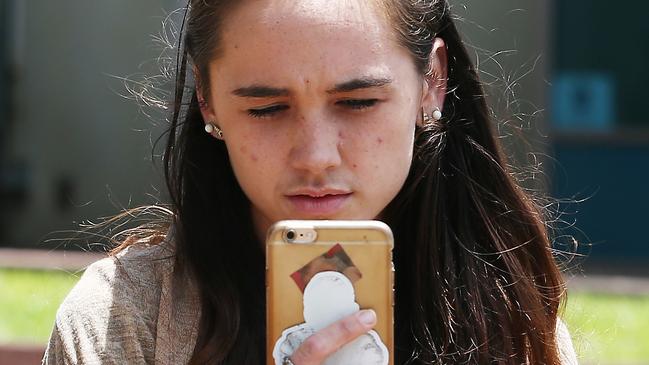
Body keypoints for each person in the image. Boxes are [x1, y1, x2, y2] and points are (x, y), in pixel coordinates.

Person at [42, 0, 579, 364]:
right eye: (267, 108)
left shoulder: (508, 317)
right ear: (208, 98)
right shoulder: (125, 319)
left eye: (358, 102)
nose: (316, 156)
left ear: (432, 83)